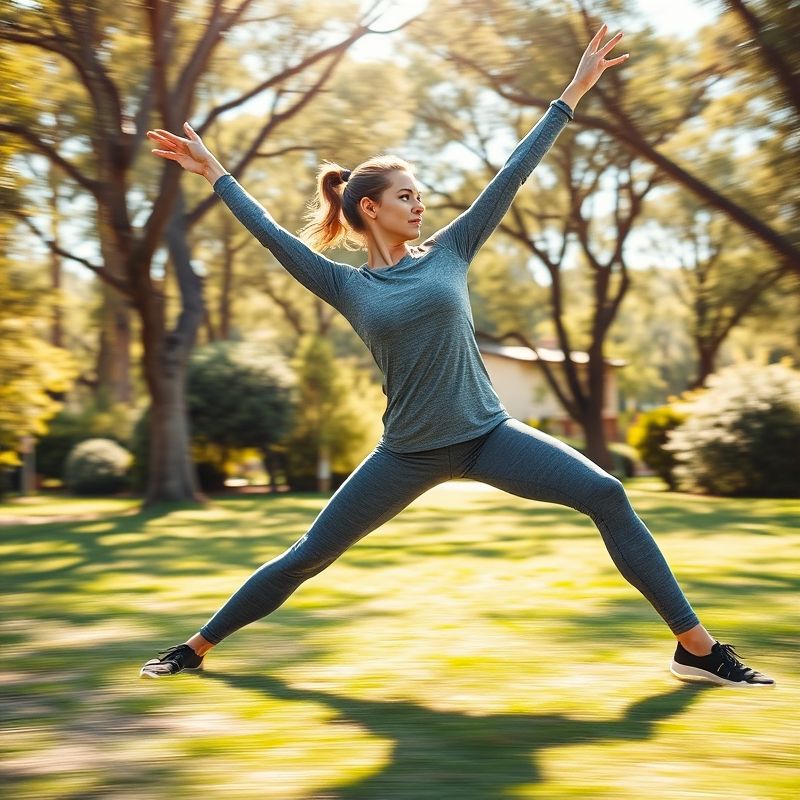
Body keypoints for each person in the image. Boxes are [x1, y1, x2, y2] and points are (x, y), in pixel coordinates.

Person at [141, 25, 773, 687]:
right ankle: (194, 647)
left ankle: (697, 650)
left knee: (607, 494)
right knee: (309, 555)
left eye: (421, 195)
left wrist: (572, 93)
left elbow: (510, 176)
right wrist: (214, 172)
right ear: (369, 208)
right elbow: (272, 236)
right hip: (407, 451)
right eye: (406, 196)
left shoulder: (450, 251)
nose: (420, 205)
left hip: (489, 434)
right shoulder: (345, 284)